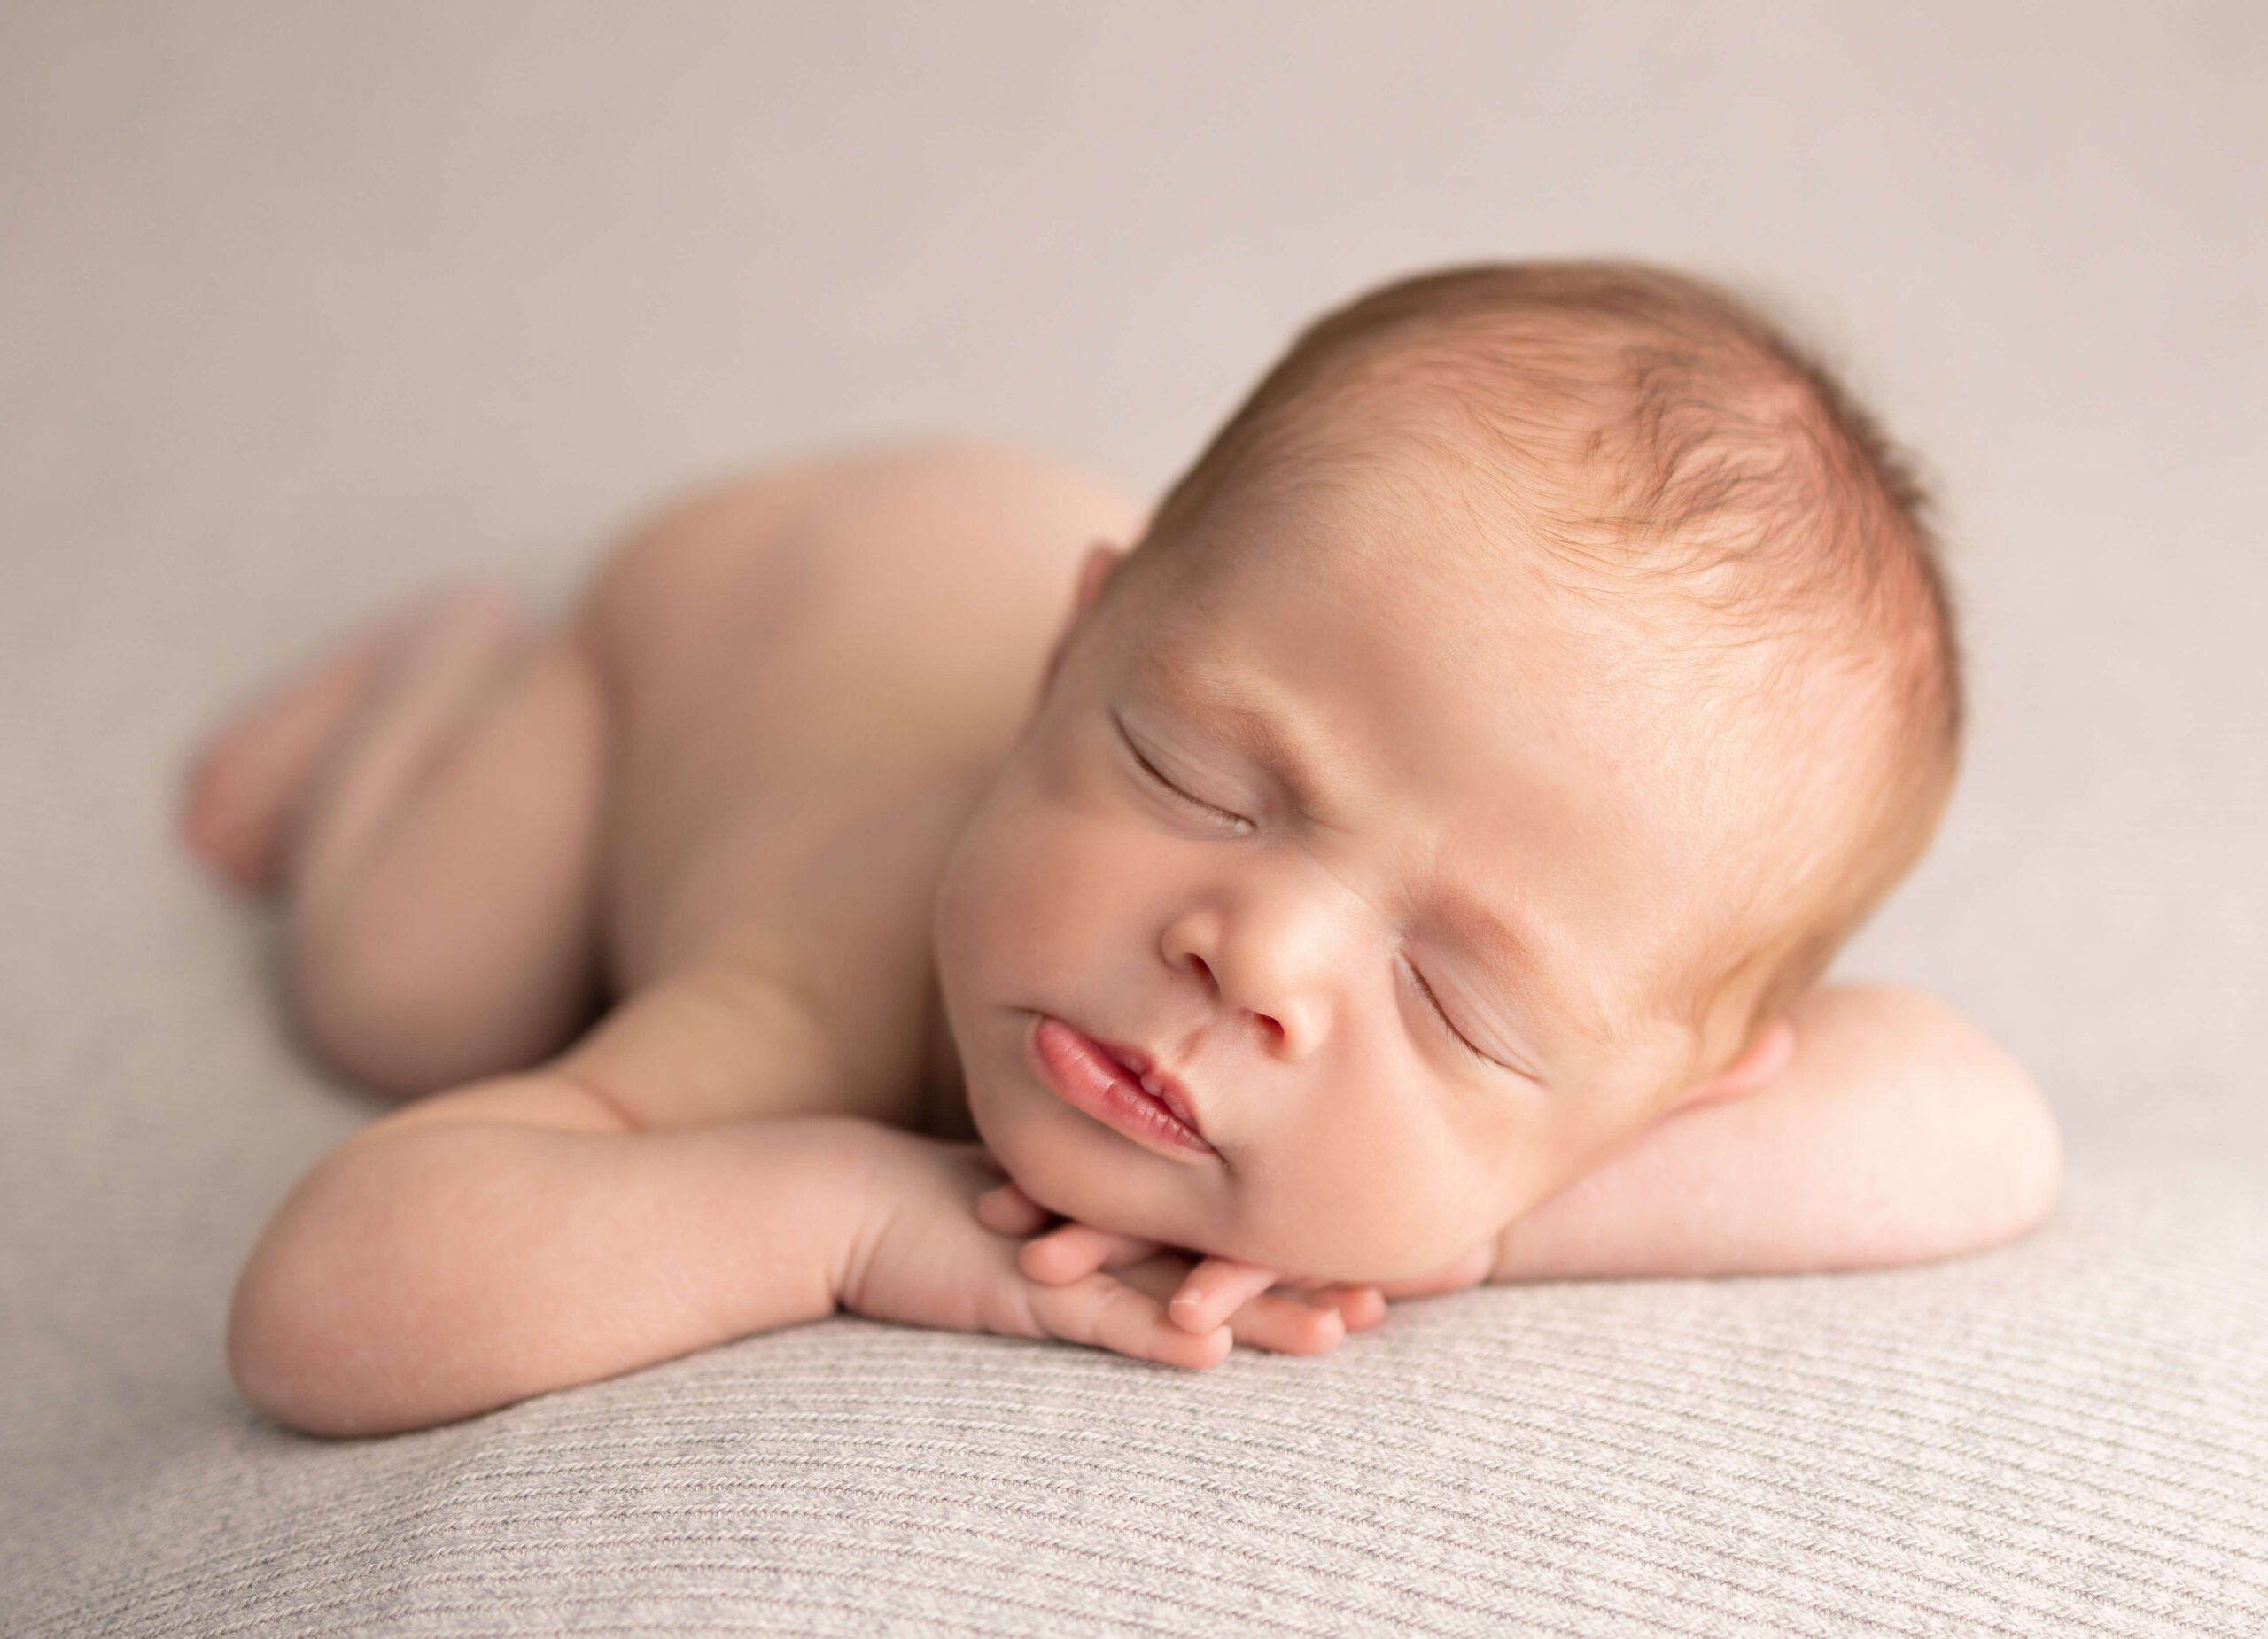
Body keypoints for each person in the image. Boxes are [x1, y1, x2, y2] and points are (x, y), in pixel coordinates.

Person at [188, 262, 2062, 1438]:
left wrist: (1456, 1204)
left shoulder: (1537, 994)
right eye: (1193, 777)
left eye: (1457, 1005)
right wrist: (847, 1216)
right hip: (721, 611)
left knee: (1317, 652)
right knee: (410, 992)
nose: (1252, 956)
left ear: (1668, 1093)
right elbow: (329, 1300)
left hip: (1093, 559)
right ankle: (436, 683)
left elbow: (1978, 1125)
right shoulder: (826, 974)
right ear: (1064, 666)